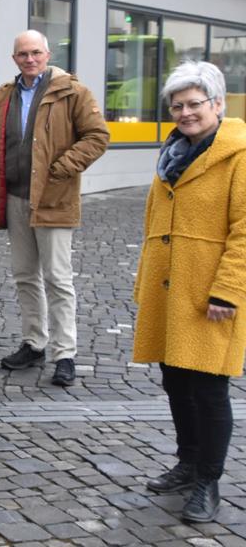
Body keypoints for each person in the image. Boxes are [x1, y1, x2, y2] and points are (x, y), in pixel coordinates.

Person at [132, 61, 246, 523]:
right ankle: (187, 461)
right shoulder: (174, 151)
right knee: (176, 380)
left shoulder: (238, 155)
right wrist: (145, 281)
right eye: (177, 105)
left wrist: (228, 290)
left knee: (208, 388)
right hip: (169, 288)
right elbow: (154, 222)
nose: (185, 112)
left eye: (194, 104)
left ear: (217, 104)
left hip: (209, 292)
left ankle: (208, 481)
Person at [0, 30, 109, 386]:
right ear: (14, 58)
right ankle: (34, 342)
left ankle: (64, 353)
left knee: (58, 279)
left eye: (35, 52)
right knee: (24, 275)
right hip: (14, 197)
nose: (30, 59)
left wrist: (61, 168)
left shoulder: (72, 92)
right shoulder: (1, 97)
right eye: (23, 54)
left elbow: (98, 136)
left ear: (47, 53)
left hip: (54, 198)